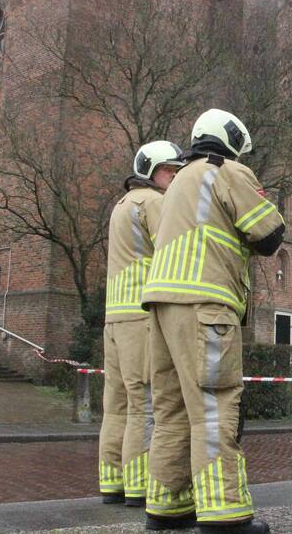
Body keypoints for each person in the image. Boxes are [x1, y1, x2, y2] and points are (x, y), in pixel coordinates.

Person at [141, 109, 284, 533]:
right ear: (232, 141)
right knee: (215, 407)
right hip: (206, 304)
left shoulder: (179, 180)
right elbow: (271, 235)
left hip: (161, 306)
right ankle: (225, 515)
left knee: (170, 411)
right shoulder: (226, 170)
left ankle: (167, 508)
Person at [99, 140, 183, 505]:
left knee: (116, 405)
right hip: (141, 316)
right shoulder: (154, 202)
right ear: (150, 171)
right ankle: (140, 486)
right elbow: (176, 246)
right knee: (144, 403)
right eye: (169, 171)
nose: (175, 177)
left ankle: (112, 482)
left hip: (114, 317)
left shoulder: (121, 205)